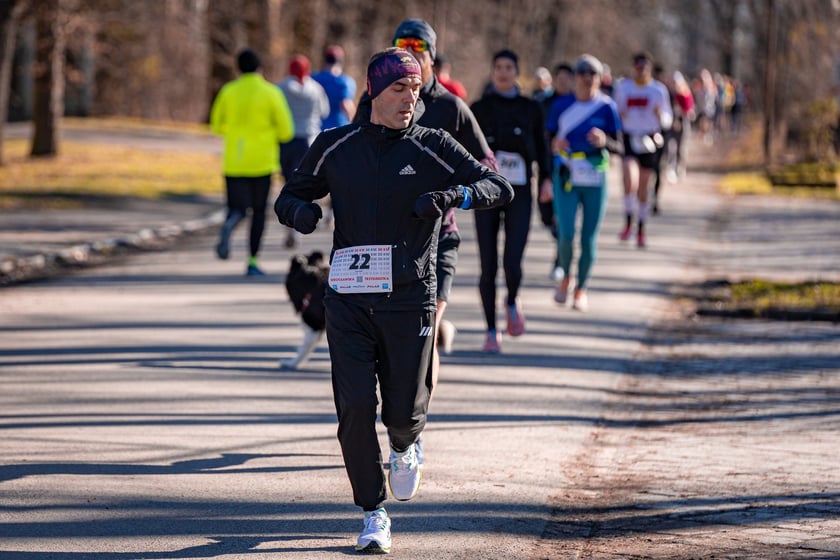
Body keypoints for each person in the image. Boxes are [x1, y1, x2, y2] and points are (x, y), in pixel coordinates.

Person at [274, 47, 513, 554]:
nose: (410, 98)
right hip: (348, 300)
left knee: (401, 414)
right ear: (373, 92)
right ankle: (372, 511)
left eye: (416, 88)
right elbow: (289, 195)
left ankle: (405, 445)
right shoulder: (336, 145)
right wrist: (301, 214)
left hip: (410, 299)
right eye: (399, 89)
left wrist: (452, 196)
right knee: (355, 407)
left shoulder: (433, 145)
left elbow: (498, 185)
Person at [355, 18, 497, 367]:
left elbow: (488, 166)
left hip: (438, 237)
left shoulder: (451, 107)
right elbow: (355, 154)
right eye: (402, 45)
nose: (410, 52)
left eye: (418, 47)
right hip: (385, 241)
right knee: (387, 340)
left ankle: (419, 404)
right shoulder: (374, 99)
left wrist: (457, 193)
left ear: (432, 56)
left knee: (424, 335)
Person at [470, 49, 550, 352]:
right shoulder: (480, 108)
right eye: (498, 67)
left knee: (512, 262)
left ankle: (513, 301)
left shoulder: (531, 108)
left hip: (519, 192)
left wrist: (546, 180)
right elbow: (465, 149)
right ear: (493, 72)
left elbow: (543, 148)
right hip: (486, 192)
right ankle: (491, 331)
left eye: (508, 67)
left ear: (517, 71)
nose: (503, 72)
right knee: (488, 265)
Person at [542, 54, 623, 312]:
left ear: (600, 78)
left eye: (592, 74)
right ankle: (566, 277)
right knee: (566, 234)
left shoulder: (607, 107)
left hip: (595, 178)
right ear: (575, 77)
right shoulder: (561, 105)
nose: (587, 78)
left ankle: (581, 289)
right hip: (566, 175)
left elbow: (621, 146)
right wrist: (555, 145)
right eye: (582, 73)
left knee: (588, 239)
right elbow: (547, 141)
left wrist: (605, 141)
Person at [210, 48, 294, 275]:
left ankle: (232, 221)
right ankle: (253, 261)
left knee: (236, 208)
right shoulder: (271, 92)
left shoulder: (228, 90)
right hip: (262, 162)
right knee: (258, 213)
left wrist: (235, 132)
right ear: (260, 68)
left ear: (238, 68)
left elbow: (216, 124)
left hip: (234, 161)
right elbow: (286, 131)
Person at [612, 51, 672, 248]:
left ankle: (641, 229)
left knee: (643, 188)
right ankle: (628, 222)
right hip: (630, 138)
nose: (640, 70)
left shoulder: (658, 90)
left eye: (644, 67)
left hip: (649, 139)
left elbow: (668, 119)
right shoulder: (623, 88)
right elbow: (614, 113)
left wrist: (659, 115)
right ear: (633, 68)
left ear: (649, 69)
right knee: (630, 180)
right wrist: (620, 116)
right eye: (637, 67)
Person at [276, 54, 329, 249]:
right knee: (305, 184)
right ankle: (299, 226)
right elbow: (324, 111)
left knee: (289, 186)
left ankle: (290, 226)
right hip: (309, 141)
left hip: (288, 141)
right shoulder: (316, 89)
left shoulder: (281, 88)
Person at [311, 44, 357, 130]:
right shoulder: (344, 82)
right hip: (338, 129)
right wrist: (356, 125)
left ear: (325, 60)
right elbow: (346, 104)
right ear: (341, 61)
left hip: (317, 128)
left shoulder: (314, 78)